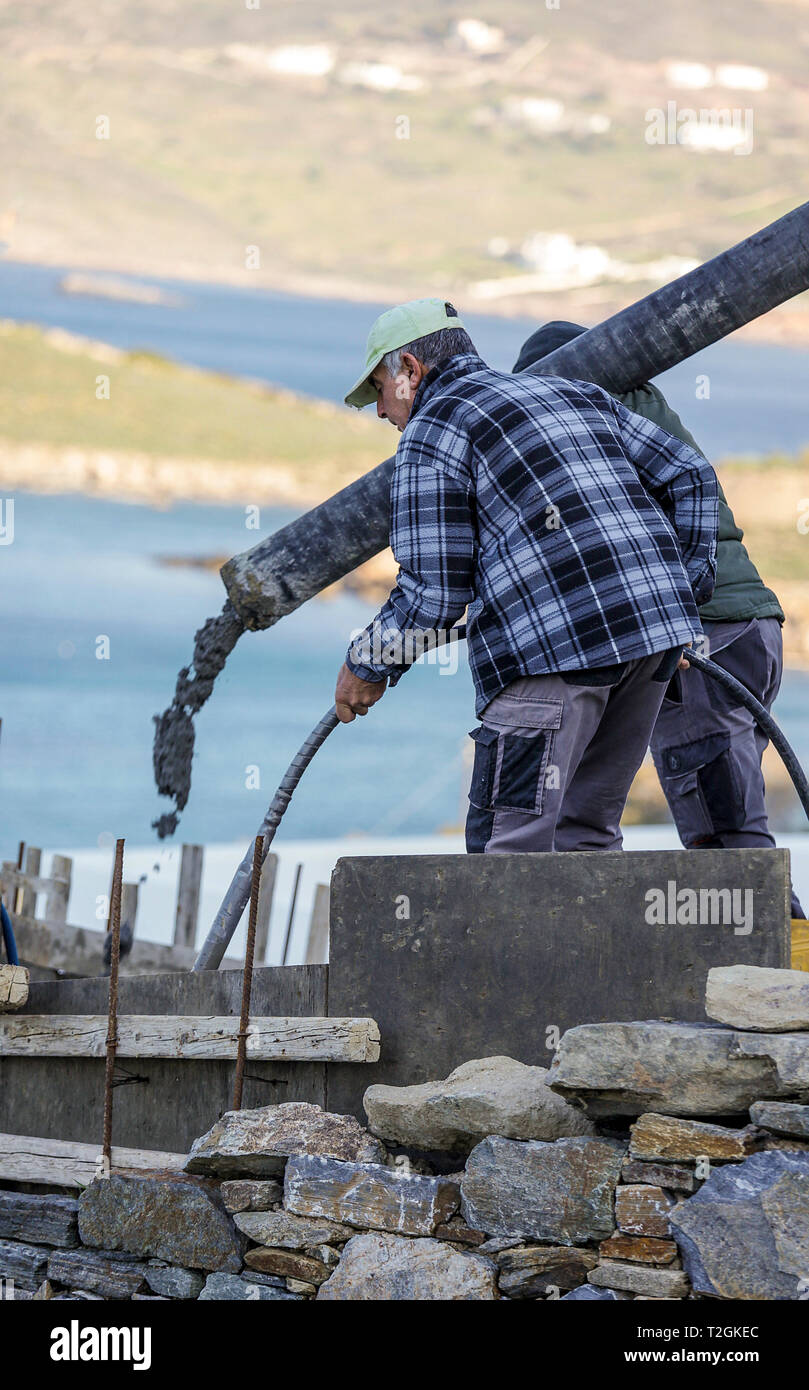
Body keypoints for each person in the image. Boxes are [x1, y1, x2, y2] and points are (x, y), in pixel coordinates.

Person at [335, 297, 718, 854]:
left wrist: (365, 663)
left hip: (550, 657)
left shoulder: (432, 431)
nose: (379, 412)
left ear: (412, 371)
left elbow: (435, 594)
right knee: (584, 836)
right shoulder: (571, 393)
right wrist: (680, 599)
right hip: (652, 647)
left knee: (507, 856)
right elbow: (690, 473)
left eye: (379, 389)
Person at [514, 321, 804, 916]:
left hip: (703, 642)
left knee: (723, 842)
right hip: (753, 629)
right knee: (733, 826)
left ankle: (782, 982)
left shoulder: (594, 426)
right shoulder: (648, 412)